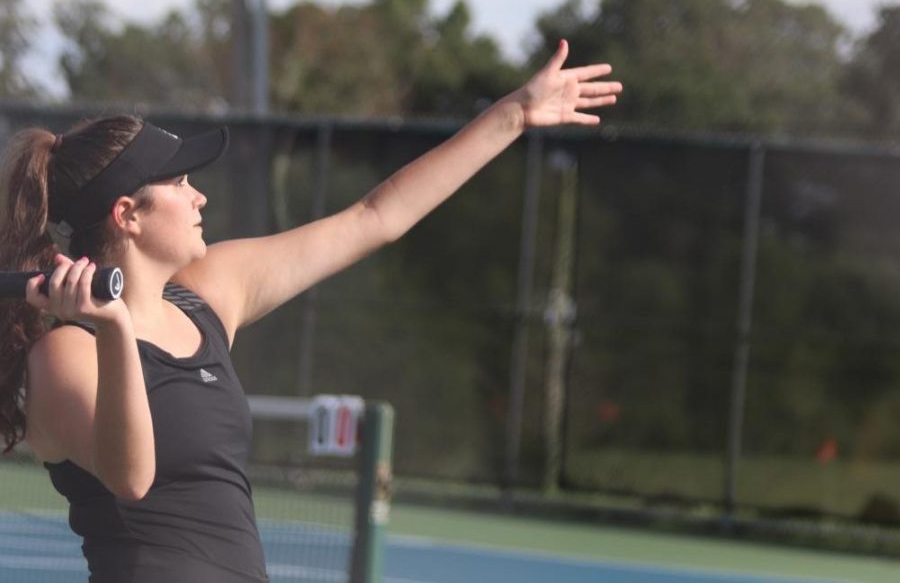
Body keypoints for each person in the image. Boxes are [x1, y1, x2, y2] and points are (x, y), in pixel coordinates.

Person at [0, 40, 621, 582]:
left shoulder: (211, 291)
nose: (200, 194)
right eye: (180, 182)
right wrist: (113, 329)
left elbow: (375, 219)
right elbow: (131, 478)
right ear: (127, 215)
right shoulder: (65, 354)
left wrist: (513, 114)